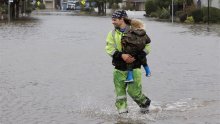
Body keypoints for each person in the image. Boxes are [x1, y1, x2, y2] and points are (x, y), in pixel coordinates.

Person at [105, 10, 151, 114]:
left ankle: (145, 104)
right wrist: (122, 55)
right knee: (120, 95)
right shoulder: (111, 33)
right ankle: (122, 116)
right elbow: (109, 48)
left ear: (122, 19)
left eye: (114, 19)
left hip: (134, 67)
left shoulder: (138, 31)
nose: (112, 22)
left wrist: (136, 57)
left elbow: (147, 47)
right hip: (118, 68)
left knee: (134, 92)